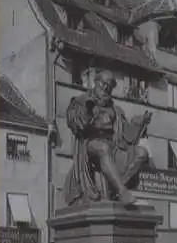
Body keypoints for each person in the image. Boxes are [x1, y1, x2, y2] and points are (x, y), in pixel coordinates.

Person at [63, 70, 152, 207]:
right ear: (95, 82)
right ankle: (122, 191)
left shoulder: (116, 110)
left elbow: (128, 137)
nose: (105, 88)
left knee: (141, 153)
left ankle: (117, 187)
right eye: (103, 84)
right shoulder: (81, 101)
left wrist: (138, 122)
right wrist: (86, 114)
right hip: (90, 144)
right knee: (102, 148)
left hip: (114, 146)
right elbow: (75, 123)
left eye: (109, 86)